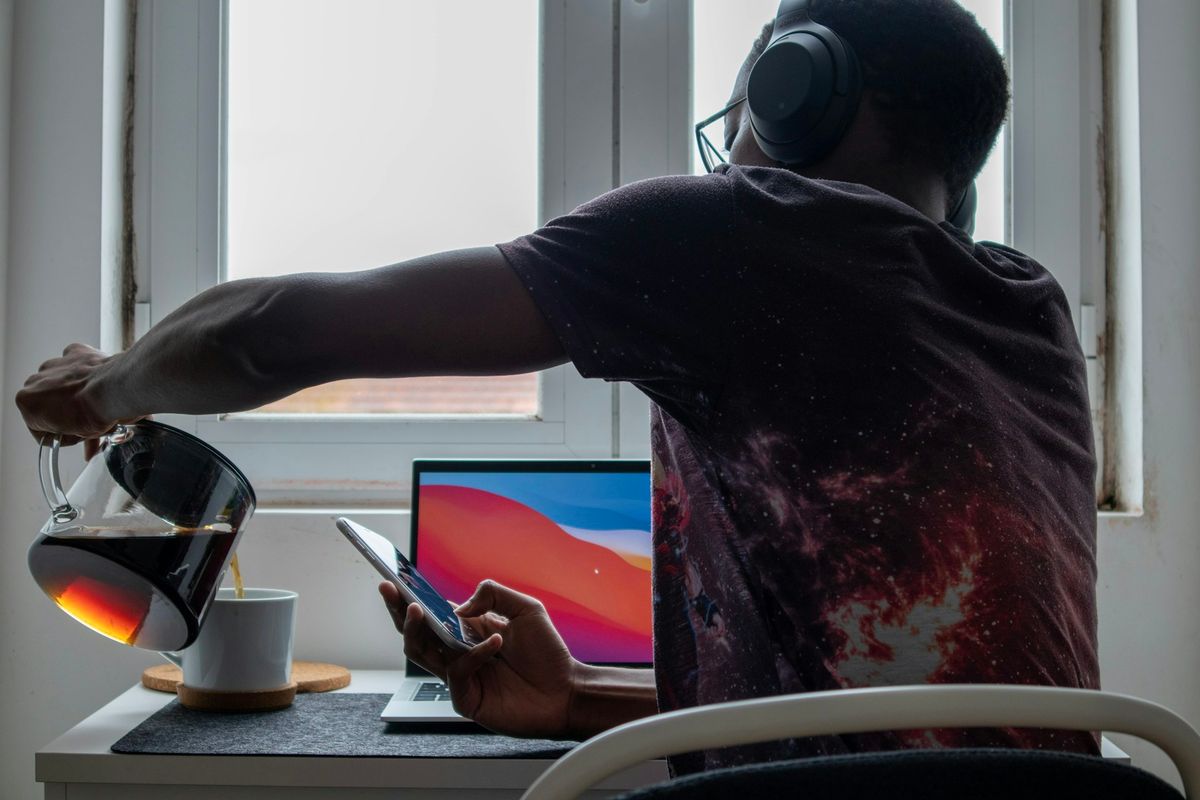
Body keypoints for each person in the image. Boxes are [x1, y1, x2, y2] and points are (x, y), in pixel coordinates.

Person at [16, 0, 1098, 774]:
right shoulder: (1029, 307)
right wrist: (576, 693)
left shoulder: (741, 231)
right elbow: (879, 719)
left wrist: (104, 386)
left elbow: (276, 333)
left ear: (794, 87)